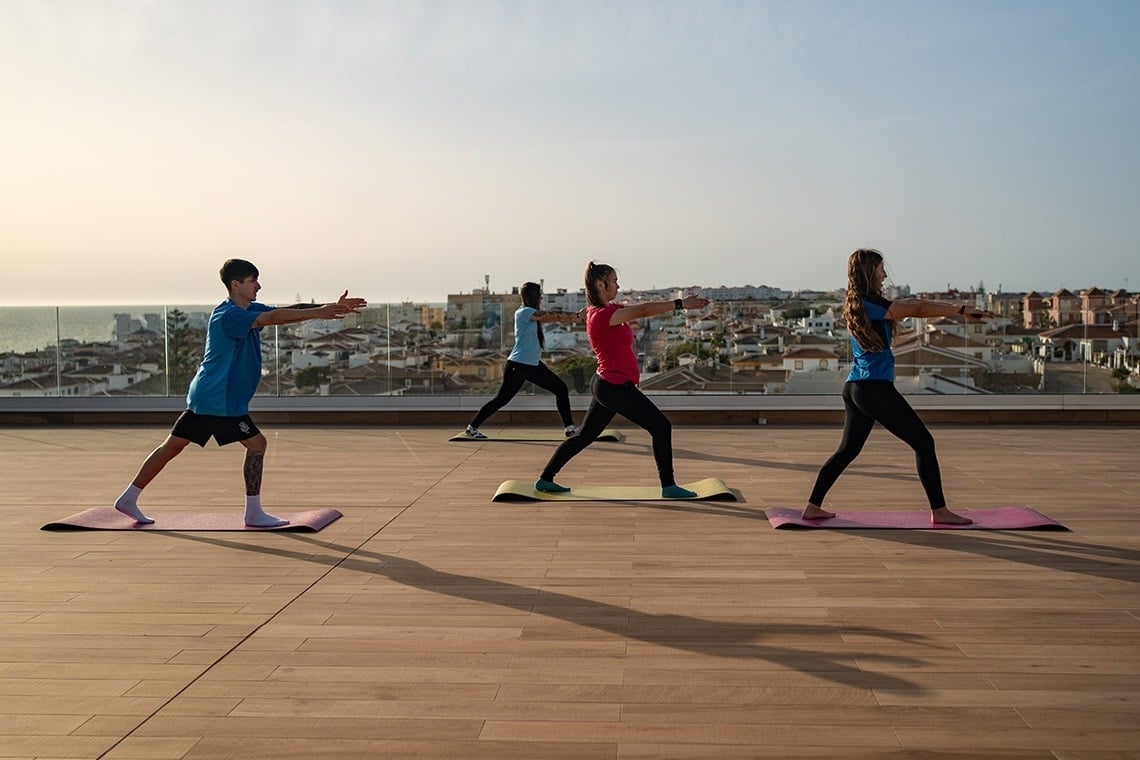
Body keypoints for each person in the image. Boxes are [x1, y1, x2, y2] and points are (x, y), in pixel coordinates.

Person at [113, 259, 366, 527]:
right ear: (236, 285)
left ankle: (128, 498)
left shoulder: (246, 309)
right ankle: (253, 513)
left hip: (206, 395)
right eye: (252, 281)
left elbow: (284, 312)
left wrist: (330, 307)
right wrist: (320, 313)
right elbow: (273, 318)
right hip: (220, 400)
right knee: (257, 445)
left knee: (172, 446)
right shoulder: (229, 316)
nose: (259, 286)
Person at [803, 248, 994, 525]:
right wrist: (960, 310)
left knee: (848, 450)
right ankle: (940, 511)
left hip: (856, 387)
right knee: (924, 442)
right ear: (869, 271)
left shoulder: (860, 303)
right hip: (873, 389)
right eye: (881, 269)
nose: (884, 274)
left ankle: (812, 506)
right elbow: (916, 307)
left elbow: (912, 305)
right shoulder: (870, 305)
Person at [534, 261, 710, 498]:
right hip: (614, 387)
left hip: (606, 384)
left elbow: (638, 309)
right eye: (614, 281)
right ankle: (668, 486)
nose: (618, 286)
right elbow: (643, 311)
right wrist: (680, 304)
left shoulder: (604, 311)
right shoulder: (602, 315)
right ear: (600, 284)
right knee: (661, 426)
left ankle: (545, 479)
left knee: (585, 436)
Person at [464, 281, 583, 439]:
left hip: (532, 365)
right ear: (532, 296)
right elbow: (548, 316)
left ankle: (570, 428)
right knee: (501, 400)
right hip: (518, 365)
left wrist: (578, 316)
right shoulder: (524, 312)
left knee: (561, 388)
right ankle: (472, 428)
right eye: (539, 294)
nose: (541, 297)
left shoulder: (529, 312)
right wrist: (577, 316)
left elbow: (547, 317)